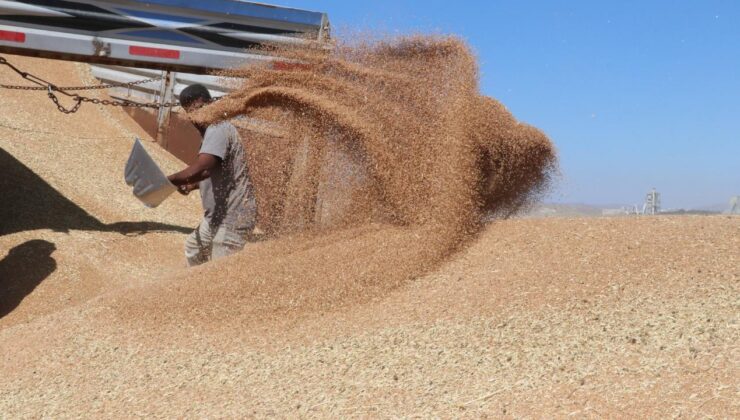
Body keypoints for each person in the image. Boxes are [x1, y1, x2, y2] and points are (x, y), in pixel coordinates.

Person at [167, 84, 256, 266]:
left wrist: (168, 180)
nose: (197, 116)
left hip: (233, 216)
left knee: (219, 270)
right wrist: (192, 184)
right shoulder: (211, 132)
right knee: (194, 247)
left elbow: (203, 166)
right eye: (191, 112)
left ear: (211, 104)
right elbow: (209, 171)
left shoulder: (217, 128)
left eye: (201, 108)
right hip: (216, 217)